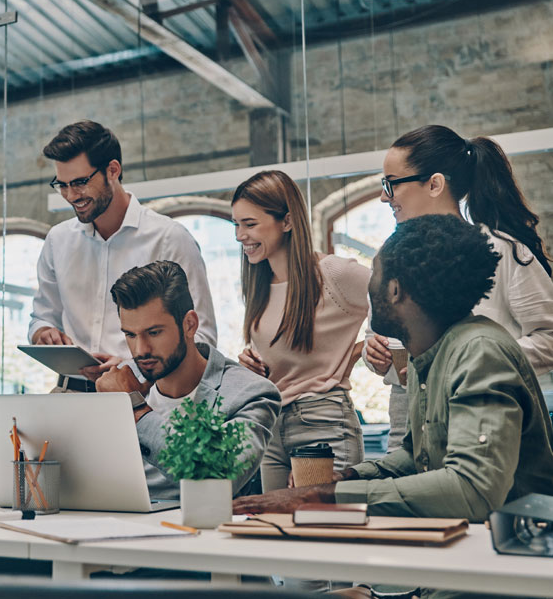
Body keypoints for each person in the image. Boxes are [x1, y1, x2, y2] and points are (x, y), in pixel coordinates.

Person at [234, 215, 553, 599]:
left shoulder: (479, 352)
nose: (369, 286)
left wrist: (325, 498)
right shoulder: (427, 355)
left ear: (396, 290)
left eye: (375, 275)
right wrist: (344, 479)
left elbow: (472, 488)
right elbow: (416, 455)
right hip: (457, 569)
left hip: (502, 576)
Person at [364, 125, 553, 451]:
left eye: (391, 184)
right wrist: (375, 352)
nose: (384, 196)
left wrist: (471, 365)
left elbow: (549, 338)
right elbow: (381, 336)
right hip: (408, 416)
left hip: (483, 413)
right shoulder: (392, 256)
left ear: (435, 184)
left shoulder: (501, 250)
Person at [28, 120, 217, 387]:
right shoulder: (58, 241)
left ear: (113, 170)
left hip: (145, 394)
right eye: (62, 185)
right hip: (70, 391)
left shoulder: (169, 239)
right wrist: (43, 333)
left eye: (80, 182)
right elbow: (42, 317)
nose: (71, 195)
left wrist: (135, 370)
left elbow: (202, 339)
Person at [231, 170, 370, 493]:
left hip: (322, 424)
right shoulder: (259, 285)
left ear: (288, 222)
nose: (240, 235)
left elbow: (404, 301)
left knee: (324, 533)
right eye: (236, 225)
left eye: (249, 224)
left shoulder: (332, 274)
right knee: (278, 535)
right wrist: (252, 366)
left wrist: (357, 353)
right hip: (272, 426)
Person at [95, 260, 280, 499]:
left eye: (154, 333)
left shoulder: (251, 394)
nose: (140, 350)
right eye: (130, 335)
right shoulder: (120, 384)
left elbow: (216, 479)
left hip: (198, 529)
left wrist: (137, 410)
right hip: (112, 523)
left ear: (189, 325)